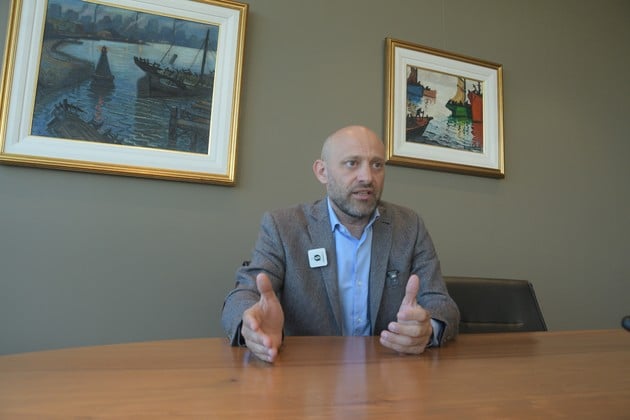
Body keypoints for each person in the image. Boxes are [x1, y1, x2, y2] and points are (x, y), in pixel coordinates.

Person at [221, 125, 459, 362]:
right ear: (322, 172)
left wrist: (428, 330)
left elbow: (442, 304)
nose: (367, 177)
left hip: (388, 371)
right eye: (352, 163)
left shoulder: (409, 226)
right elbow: (243, 294)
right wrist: (250, 325)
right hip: (308, 373)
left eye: (377, 165)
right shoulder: (283, 227)